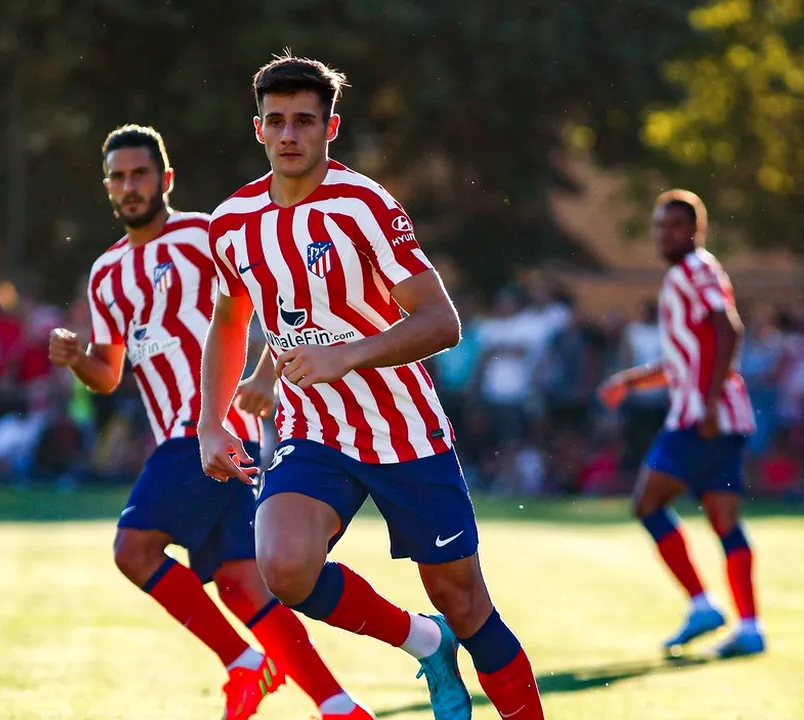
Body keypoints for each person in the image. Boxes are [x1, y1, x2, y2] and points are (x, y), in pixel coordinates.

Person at [198, 55, 546, 720]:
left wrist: (350, 355)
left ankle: (462, 649)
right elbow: (233, 316)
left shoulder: (364, 206)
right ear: (258, 129)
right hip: (313, 430)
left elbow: (441, 322)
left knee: (466, 603)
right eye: (277, 121)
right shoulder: (231, 222)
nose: (290, 134)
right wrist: (220, 415)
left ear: (331, 128)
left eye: (305, 120)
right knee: (285, 568)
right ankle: (424, 643)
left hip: (402, 430)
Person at [50, 124, 371, 720]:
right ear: (107, 188)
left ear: (165, 179)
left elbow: (283, 297)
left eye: (141, 174)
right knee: (241, 584)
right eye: (118, 177)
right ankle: (340, 707)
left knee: (134, 549)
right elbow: (109, 372)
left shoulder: (204, 233)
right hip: (199, 444)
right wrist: (79, 362)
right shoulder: (105, 274)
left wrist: (263, 375)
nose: (130, 186)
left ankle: (244, 663)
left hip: (204, 428)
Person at [598, 189, 764, 658]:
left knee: (647, 504)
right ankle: (748, 626)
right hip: (716, 415)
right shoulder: (686, 275)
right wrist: (631, 381)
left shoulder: (696, 269)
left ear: (695, 229)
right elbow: (679, 360)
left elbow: (729, 328)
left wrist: (708, 403)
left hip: (701, 416)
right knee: (723, 520)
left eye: (672, 225)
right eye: (659, 226)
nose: (662, 234)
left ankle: (704, 604)